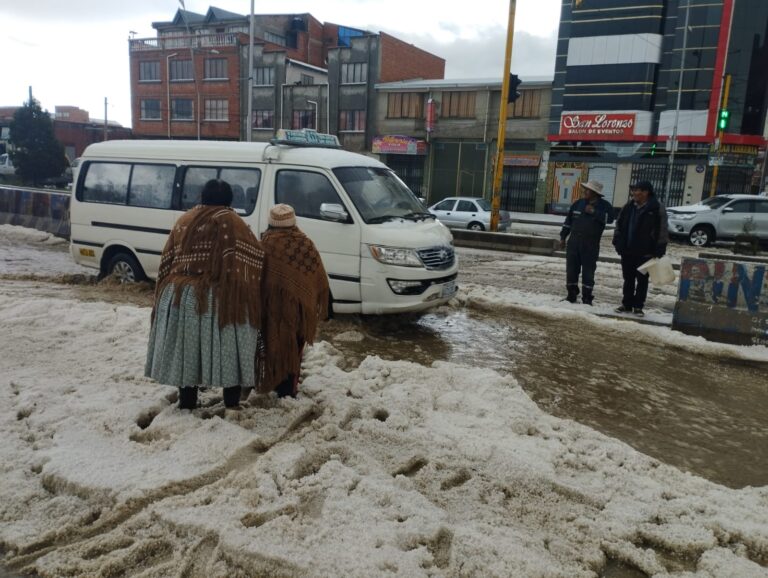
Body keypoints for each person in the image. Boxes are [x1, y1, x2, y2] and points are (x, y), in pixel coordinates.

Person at [145, 179, 265, 409]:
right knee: (230, 349)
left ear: (203, 196)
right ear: (229, 200)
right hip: (223, 298)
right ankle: (231, 403)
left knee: (187, 351)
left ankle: (187, 402)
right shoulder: (233, 221)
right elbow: (256, 257)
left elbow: (167, 259)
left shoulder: (184, 219)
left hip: (182, 295)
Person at [256, 204, 329, 398]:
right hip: (300, 310)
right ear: (293, 222)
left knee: (275, 345)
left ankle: (278, 383)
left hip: (273, 309)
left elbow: (258, 277)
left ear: (271, 223)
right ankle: (290, 387)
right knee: (294, 346)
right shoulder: (306, 243)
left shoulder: (266, 243)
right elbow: (318, 277)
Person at [612, 180, 669, 317]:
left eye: (637, 190)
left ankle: (638, 306)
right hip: (628, 250)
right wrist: (617, 242)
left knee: (642, 280)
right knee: (628, 278)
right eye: (634, 190)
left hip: (646, 252)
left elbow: (662, 230)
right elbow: (619, 225)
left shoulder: (656, 208)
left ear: (645, 192)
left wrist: (660, 248)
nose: (634, 193)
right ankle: (626, 304)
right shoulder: (629, 206)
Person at [559, 179, 615, 305]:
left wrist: (594, 212)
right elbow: (568, 221)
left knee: (588, 271)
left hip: (590, 244)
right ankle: (571, 295)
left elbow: (610, 219)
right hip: (573, 243)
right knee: (571, 269)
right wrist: (563, 237)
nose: (585, 191)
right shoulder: (578, 203)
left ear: (595, 193)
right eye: (585, 189)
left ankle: (587, 297)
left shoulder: (605, 206)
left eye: (588, 190)